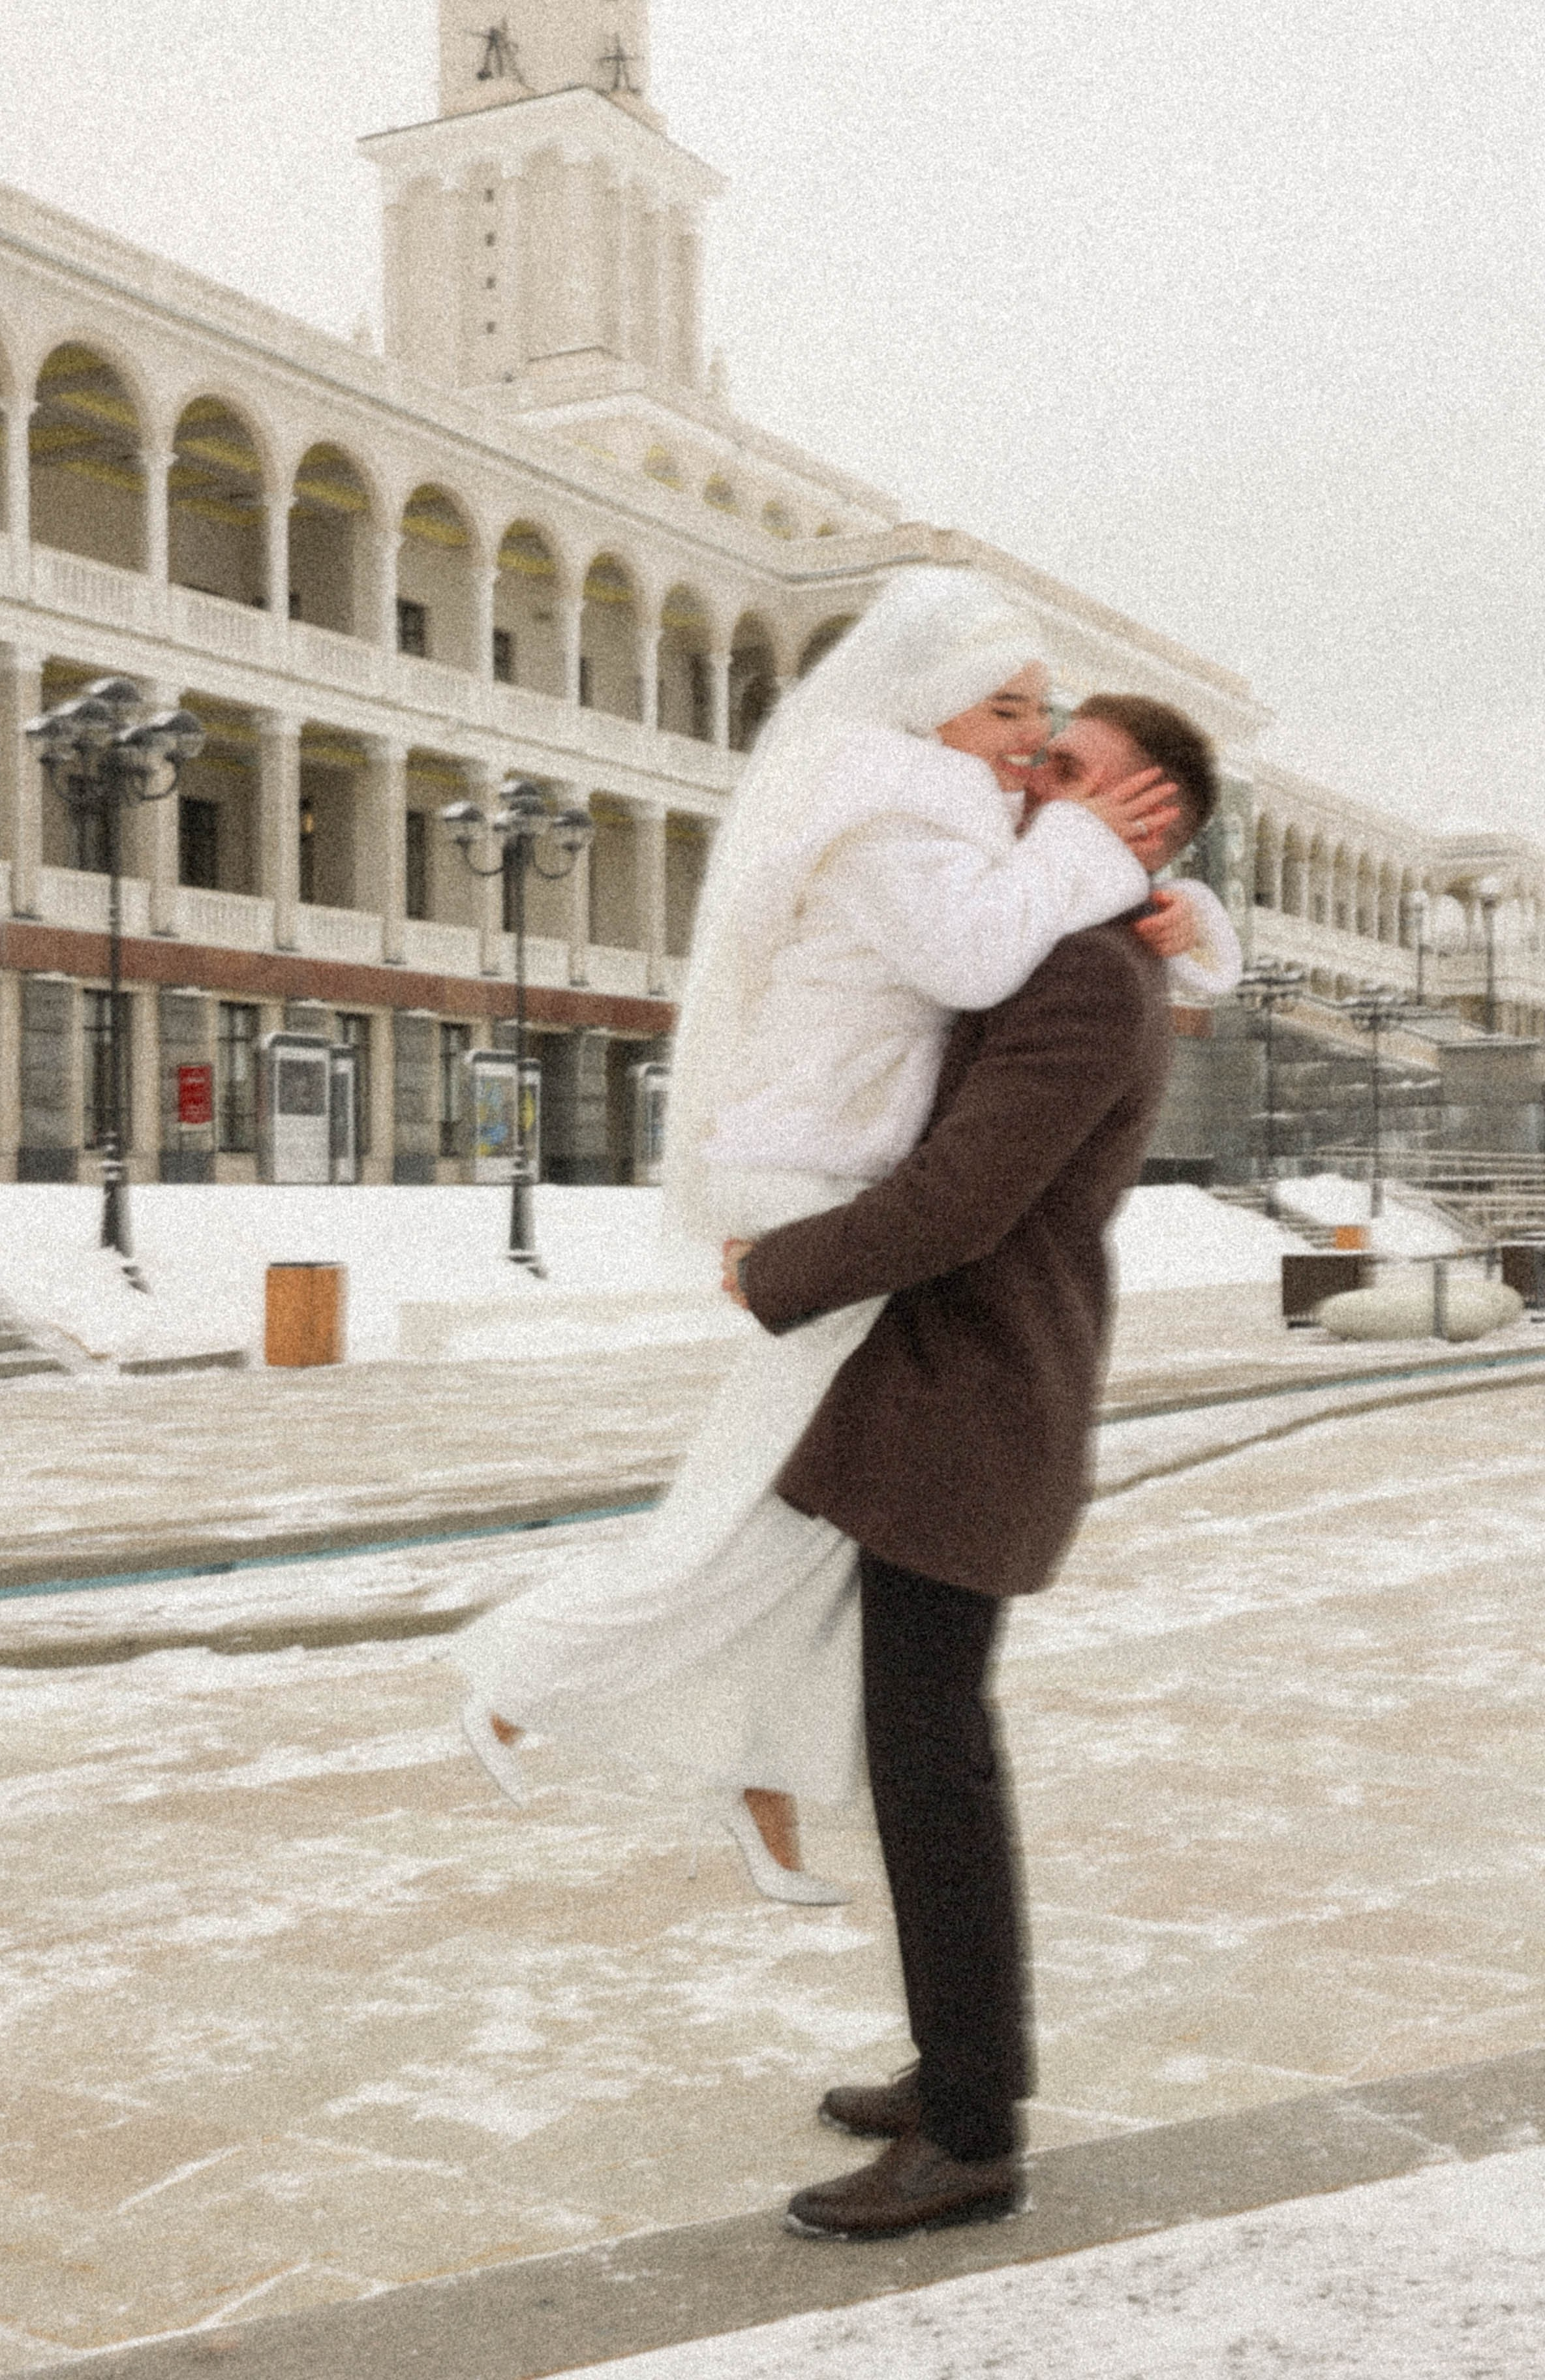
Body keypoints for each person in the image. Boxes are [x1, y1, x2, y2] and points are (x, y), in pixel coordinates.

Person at [454, 570, 1238, 1900]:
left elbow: (1079, 930)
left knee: (804, 1515)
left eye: (1049, 732)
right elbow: (981, 960)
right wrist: (1103, 847)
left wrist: (1186, 912)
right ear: (934, 704)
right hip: (812, 1176)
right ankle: (525, 1680)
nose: (1032, 759)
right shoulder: (886, 811)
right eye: (1012, 719)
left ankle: (745, 1770)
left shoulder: (956, 811)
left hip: (838, 1173)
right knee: (760, 1497)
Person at [724, 692, 1214, 2240]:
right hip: (942, 1388)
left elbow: (960, 1198)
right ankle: (960, 2067)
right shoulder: (1048, 945)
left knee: (934, 1767)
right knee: (922, 1751)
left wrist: (774, 1268)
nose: (1025, 781)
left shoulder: (1081, 974)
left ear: (1148, 817)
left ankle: (971, 2129)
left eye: (1063, 770)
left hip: (974, 1401)